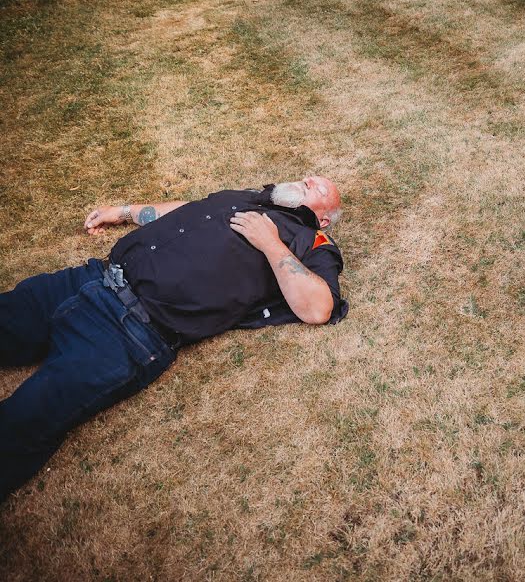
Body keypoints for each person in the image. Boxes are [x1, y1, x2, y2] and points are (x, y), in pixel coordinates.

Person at [0, 176, 349, 500]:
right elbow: (187, 210)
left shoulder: (312, 242)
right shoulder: (252, 197)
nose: (308, 179)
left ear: (325, 221)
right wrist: (124, 212)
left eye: (318, 188)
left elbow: (318, 308)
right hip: (91, 276)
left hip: (129, 327)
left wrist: (271, 244)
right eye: (308, 176)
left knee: (25, 418)